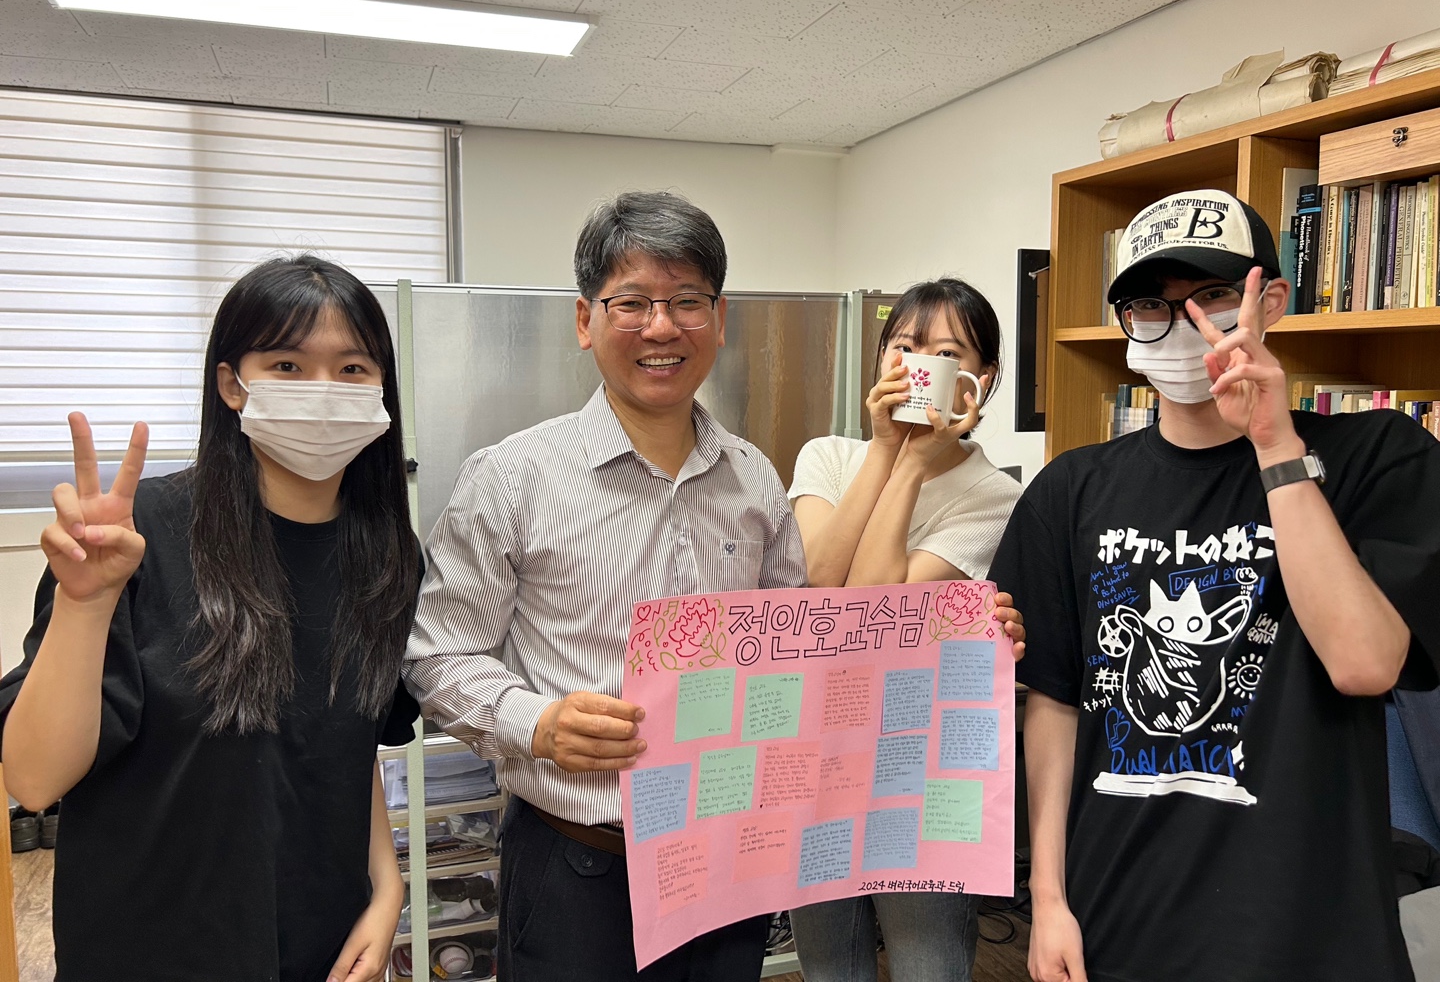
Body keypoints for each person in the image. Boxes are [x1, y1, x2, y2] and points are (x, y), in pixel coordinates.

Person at [991, 189, 1440, 982]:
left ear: (1271, 300)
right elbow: (1055, 703)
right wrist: (1049, 898)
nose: (1184, 324)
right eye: (1151, 306)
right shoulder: (1070, 490)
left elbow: (1364, 664)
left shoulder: (1377, 453)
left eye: (1214, 295)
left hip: (1309, 928)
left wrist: (1274, 445)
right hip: (1116, 915)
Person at [402, 191, 808, 982]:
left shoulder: (754, 478)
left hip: (729, 859)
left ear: (719, 319)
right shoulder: (510, 477)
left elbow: (789, 649)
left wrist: (961, 638)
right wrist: (536, 722)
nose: (662, 327)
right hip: (577, 865)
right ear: (587, 320)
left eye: (687, 301)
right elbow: (437, 657)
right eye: (633, 303)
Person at [0, 255, 422, 982]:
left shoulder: (388, 556)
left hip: (321, 942)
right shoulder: (136, 538)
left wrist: (388, 889)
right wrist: (85, 602)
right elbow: (34, 780)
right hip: (151, 947)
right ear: (232, 384)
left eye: (353, 369)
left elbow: (351, 744)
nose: (324, 390)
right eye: (287, 366)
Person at [785, 277, 1026, 982]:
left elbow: (869, 610)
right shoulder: (827, 456)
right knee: (830, 965)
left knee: (929, 963)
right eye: (904, 345)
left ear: (979, 382)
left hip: (919, 770)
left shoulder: (997, 495)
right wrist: (886, 451)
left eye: (947, 354)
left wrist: (916, 463)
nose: (918, 363)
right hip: (816, 754)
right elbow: (818, 587)